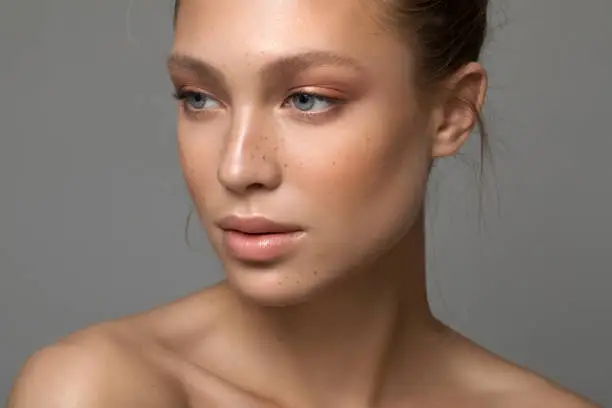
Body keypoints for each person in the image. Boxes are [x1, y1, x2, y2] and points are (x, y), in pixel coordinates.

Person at [6, 1, 600, 407]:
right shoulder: (101, 392)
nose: (237, 167)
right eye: (199, 97)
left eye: (308, 99)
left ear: (451, 114)